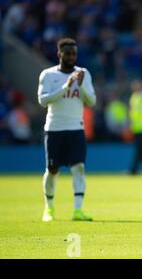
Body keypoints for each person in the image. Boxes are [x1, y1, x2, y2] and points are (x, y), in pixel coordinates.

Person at [37, 38, 96, 222]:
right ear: (59, 54)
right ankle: (49, 208)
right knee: (52, 170)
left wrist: (79, 86)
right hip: (54, 129)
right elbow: (42, 100)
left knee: (78, 168)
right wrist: (66, 87)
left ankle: (78, 210)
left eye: (74, 54)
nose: (71, 57)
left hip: (75, 128)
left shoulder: (83, 74)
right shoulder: (48, 75)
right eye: (68, 53)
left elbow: (91, 101)